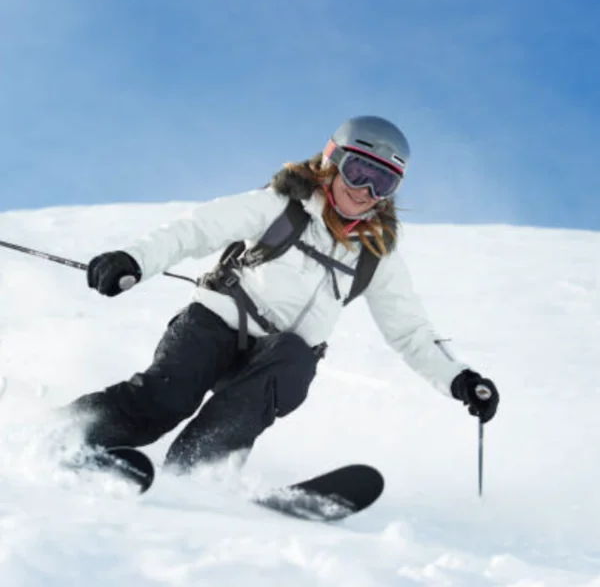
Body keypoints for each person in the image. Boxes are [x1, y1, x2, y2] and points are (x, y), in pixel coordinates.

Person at [64, 115, 499, 473]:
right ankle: (71, 435)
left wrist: (461, 380)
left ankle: (198, 471)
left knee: (293, 360)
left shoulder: (375, 254)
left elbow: (411, 332)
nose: (366, 191)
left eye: (382, 184)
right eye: (359, 172)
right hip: (214, 325)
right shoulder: (281, 206)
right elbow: (198, 229)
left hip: (275, 359)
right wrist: (134, 259)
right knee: (165, 399)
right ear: (333, 162)